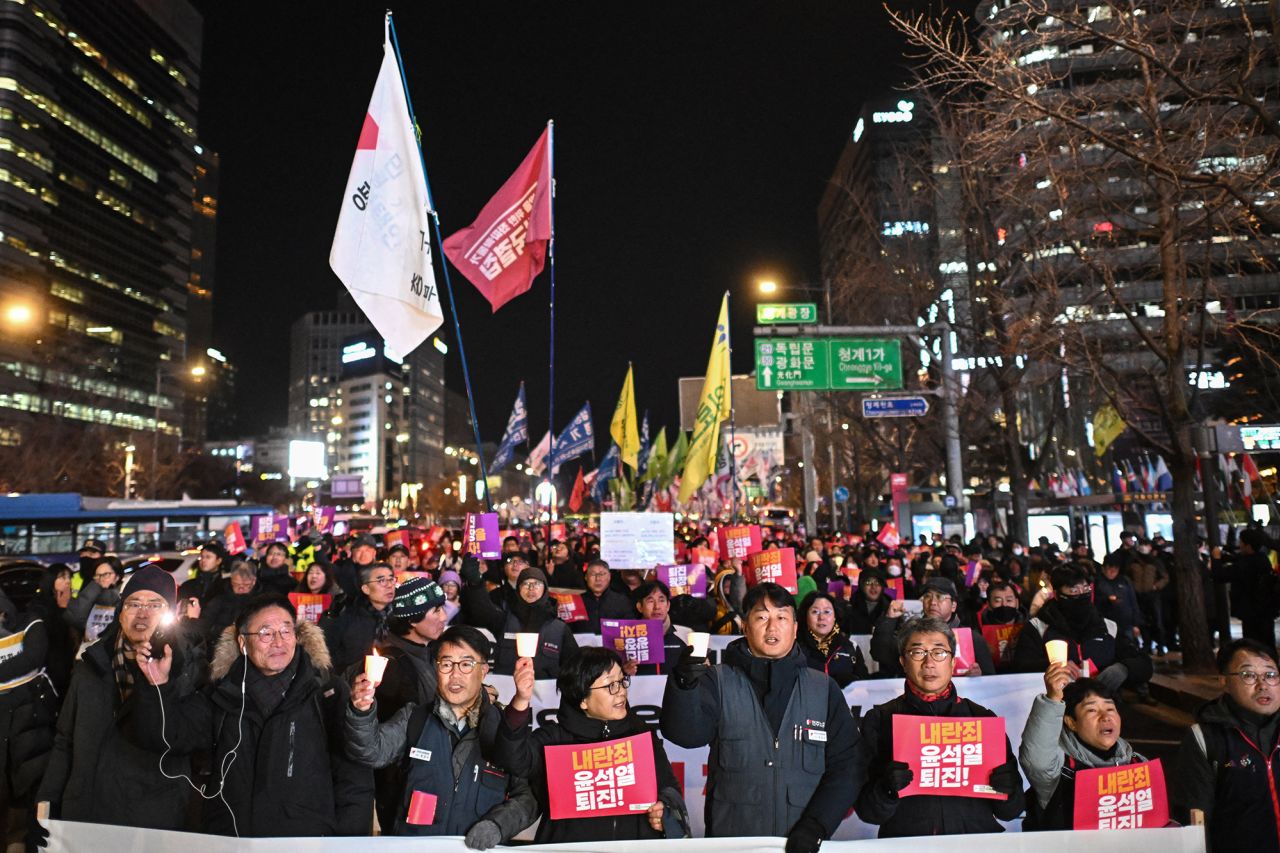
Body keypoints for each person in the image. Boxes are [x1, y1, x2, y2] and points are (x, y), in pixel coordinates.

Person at [135, 593, 371, 837]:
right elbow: (166, 736)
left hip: (305, 839)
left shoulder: (327, 692)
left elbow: (354, 780)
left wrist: (348, 843)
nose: (278, 642)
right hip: (232, 838)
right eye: (266, 633)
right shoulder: (223, 693)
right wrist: (157, 686)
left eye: (286, 631)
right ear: (242, 643)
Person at [661, 582, 864, 851]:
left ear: (795, 628)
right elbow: (686, 735)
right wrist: (684, 685)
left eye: (782, 617)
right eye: (761, 617)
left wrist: (816, 826)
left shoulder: (823, 688)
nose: (772, 627)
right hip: (734, 843)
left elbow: (847, 766)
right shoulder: (717, 680)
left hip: (802, 844)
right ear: (745, 626)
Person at [34, 566, 202, 838]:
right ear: (120, 612)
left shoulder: (190, 670)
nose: (143, 613)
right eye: (134, 603)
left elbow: (185, 741)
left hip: (150, 823)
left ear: (171, 615)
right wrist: (46, 807)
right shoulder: (91, 664)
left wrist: (160, 686)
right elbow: (65, 741)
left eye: (155, 605)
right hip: (86, 815)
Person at [345, 625, 536, 845]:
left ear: (483, 671)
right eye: (446, 664)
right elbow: (370, 751)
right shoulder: (413, 718)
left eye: (466, 664)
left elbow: (527, 797)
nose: (455, 675)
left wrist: (497, 826)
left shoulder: (506, 729)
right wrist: (361, 712)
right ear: (436, 669)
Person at [855, 617, 1025, 836]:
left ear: (953, 662)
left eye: (939, 652)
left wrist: (1008, 790)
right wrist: (886, 790)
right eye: (918, 653)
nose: (929, 663)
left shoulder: (982, 720)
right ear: (903, 662)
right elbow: (867, 812)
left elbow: (1011, 811)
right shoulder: (880, 719)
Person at [497, 646, 687, 842]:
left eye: (622, 681)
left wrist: (664, 810)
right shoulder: (554, 739)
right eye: (610, 685)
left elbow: (669, 788)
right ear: (583, 700)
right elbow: (512, 759)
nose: (621, 691)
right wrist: (521, 701)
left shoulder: (640, 734)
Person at [1172, 638, 1280, 852]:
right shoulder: (1204, 738)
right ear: (1224, 682)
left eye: (1270, 675)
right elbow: (1194, 824)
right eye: (1248, 675)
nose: (1262, 685)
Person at [1019, 665, 1146, 829]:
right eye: (1092, 710)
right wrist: (1052, 700)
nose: (1105, 717)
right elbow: (1037, 759)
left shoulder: (1139, 764)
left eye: (1110, 708)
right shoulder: (1057, 770)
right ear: (1071, 722)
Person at [1011, 565, 1154, 701]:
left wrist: (1123, 669)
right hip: (1057, 710)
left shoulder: (1108, 627)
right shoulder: (1038, 628)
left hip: (1102, 711)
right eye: (1073, 591)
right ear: (1056, 594)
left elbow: (1143, 664)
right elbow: (1020, 667)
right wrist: (1053, 666)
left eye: (1085, 589)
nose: (1081, 594)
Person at [460, 562, 579, 677]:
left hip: (547, 695)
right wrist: (475, 583)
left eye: (536, 583)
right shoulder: (504, 620)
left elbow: (575, 668)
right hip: (507, 694)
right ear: (518, 589)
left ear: (545, 589)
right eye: (525, 584)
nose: (531, 588)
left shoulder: (560, 629)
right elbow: (482, 610)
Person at [870, 578, 995, 677]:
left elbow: (991, 680)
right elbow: (881, 654)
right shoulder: (910, 633)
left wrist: (979, 676)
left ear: (953, 606)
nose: (933, 602)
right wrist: (889, 620)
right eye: (928, 596)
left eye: (940, 597)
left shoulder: (971, 638)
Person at [373, 577, 449, 718]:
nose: (444, 617)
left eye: (443, 608)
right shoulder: (392, 666)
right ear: (413, 620)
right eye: (437, 611)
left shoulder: (431, 650)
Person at [321, 562, 396, 674]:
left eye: (391, 579)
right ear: (366, 589)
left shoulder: (400, 618)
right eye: (381, 580)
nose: (389, 585)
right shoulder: (347, 618)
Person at [1211, 528, 1278, 645]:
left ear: (1248, 545)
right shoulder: (1262, 559)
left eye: (1241, 542)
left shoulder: (1245, 565)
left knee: (1253, 646)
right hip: (1266, 611)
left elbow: (1219, 576)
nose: (1239, 545)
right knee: (1267, 644)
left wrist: (1216, 559)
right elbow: (1238, 558)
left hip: (1251, 612)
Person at [798, 590, 868, 687]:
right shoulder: (794, 649)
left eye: (827, 612)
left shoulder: (851, 648)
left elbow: (864, 685)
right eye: (815, 611)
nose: (821, 617)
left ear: (835, 616)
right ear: (805, 616)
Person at [629, 579, 687, 676]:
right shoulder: (627, 637)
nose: (657, 607)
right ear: (640, 607)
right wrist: (625, 673)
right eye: (650, 601)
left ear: (668, 606)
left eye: (661, 600)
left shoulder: (684, 636)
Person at [64, 556, 122, 650]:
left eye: (106, 574)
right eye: (97, 575)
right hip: (91, 649)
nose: (101, 579)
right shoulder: (92, 593)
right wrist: (94, 587)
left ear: (117, 576)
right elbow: (76, 617)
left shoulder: (125, 595)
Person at [571, 559, 634, 635]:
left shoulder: (622, 601)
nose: (598, 579)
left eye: (602, 574)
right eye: (593, 574)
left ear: (609, 576)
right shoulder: (575, 602)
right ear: (586, 577)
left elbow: (630, 629)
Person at [843, 566, 891, 636]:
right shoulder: (849, 607)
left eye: (877, 583)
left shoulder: (890, 608)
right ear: (861, 585)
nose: (873, 587)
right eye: (868, 582)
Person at [333, 534, 380, 599]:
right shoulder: (343, 570)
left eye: (367, 550)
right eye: (359, 550)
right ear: (353, 553)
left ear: (374, 553)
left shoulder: (382, 572)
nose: (363, 554)